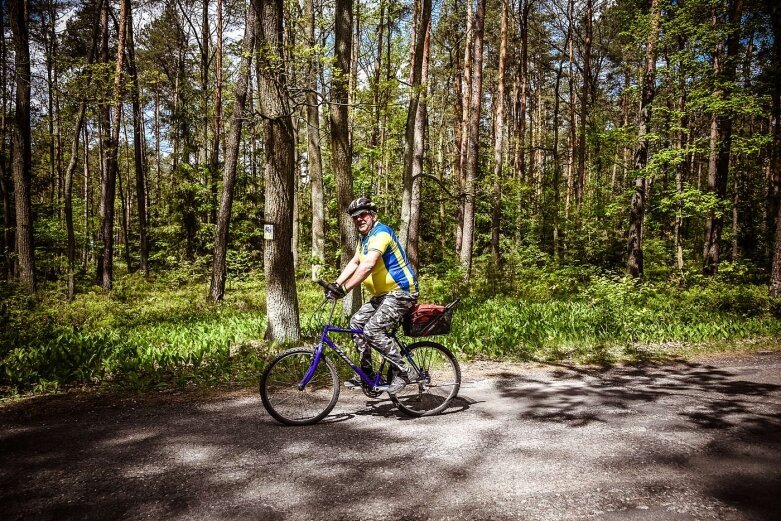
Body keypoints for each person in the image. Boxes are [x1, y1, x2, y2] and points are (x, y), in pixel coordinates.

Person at [323, 196, 419, 395]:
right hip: (383, 295)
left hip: (401, 292)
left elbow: (367, 265)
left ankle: (404, 371)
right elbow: (356, 262)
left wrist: (345, 289)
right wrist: (337, 283)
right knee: (356, 324)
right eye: (355, 217)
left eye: (363, 214)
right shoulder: (365, 239)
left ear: (373, 215)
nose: (359, 219)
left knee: (373, 330)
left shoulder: (381, 233)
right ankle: (366, 371)